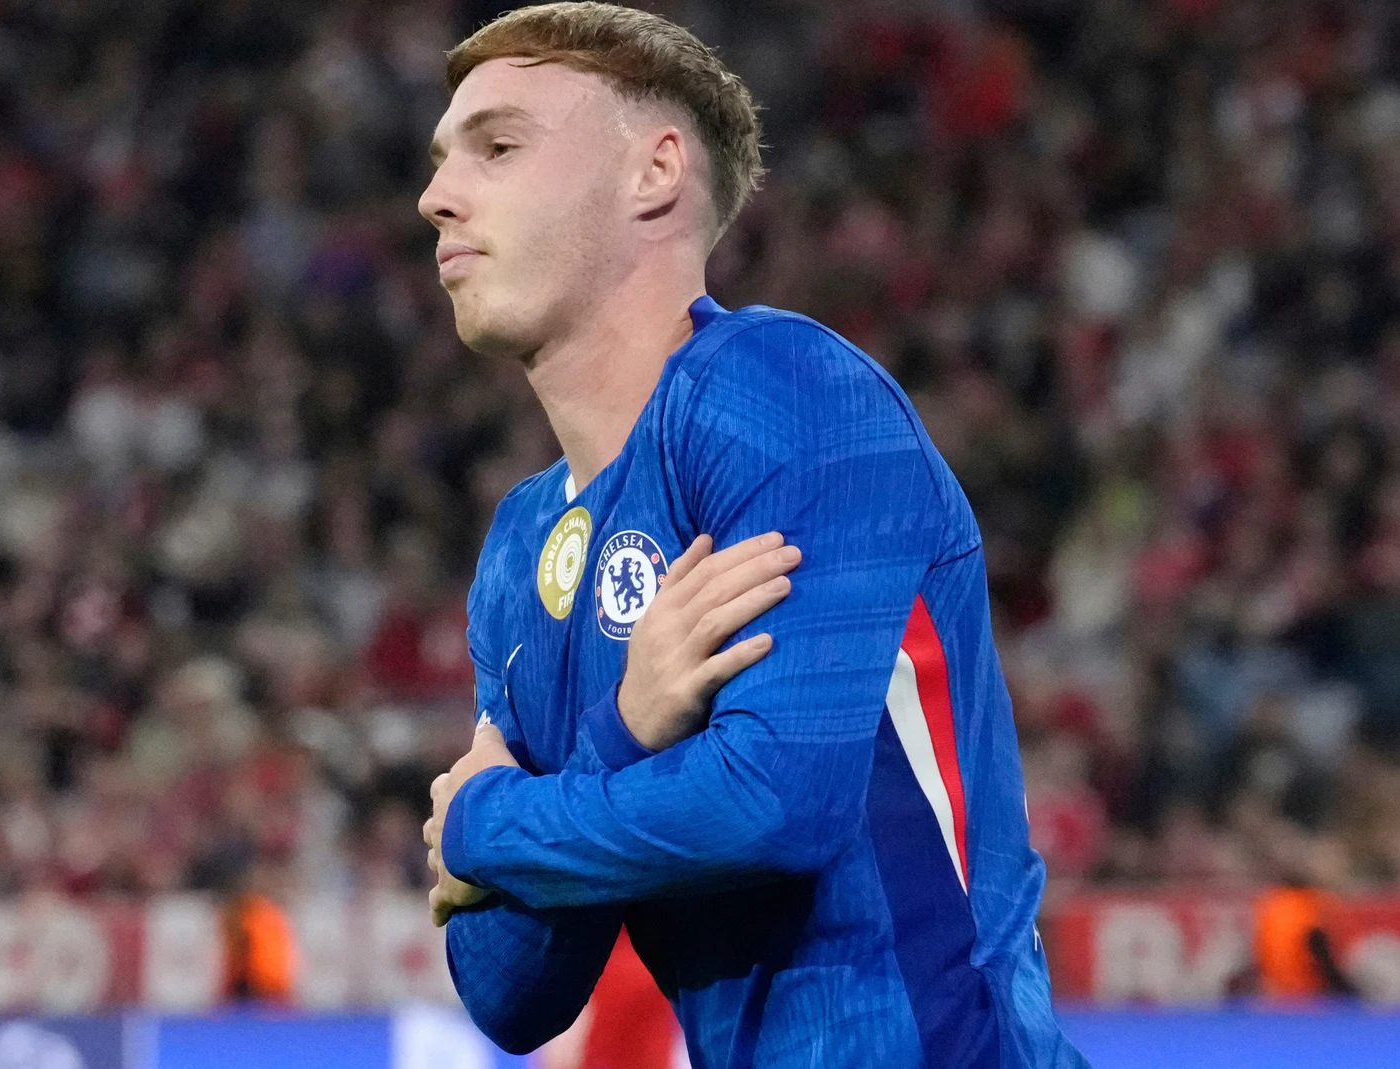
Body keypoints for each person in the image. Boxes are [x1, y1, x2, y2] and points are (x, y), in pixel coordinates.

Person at [415, 5, 1086, 1066]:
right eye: (444, 160)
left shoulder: (784, 392)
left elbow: (779, 802)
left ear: (655, 172)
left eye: (497, 146)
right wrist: (626, 728)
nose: (435, 195)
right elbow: (509, 991)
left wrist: (482, 823)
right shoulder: (520, 550)